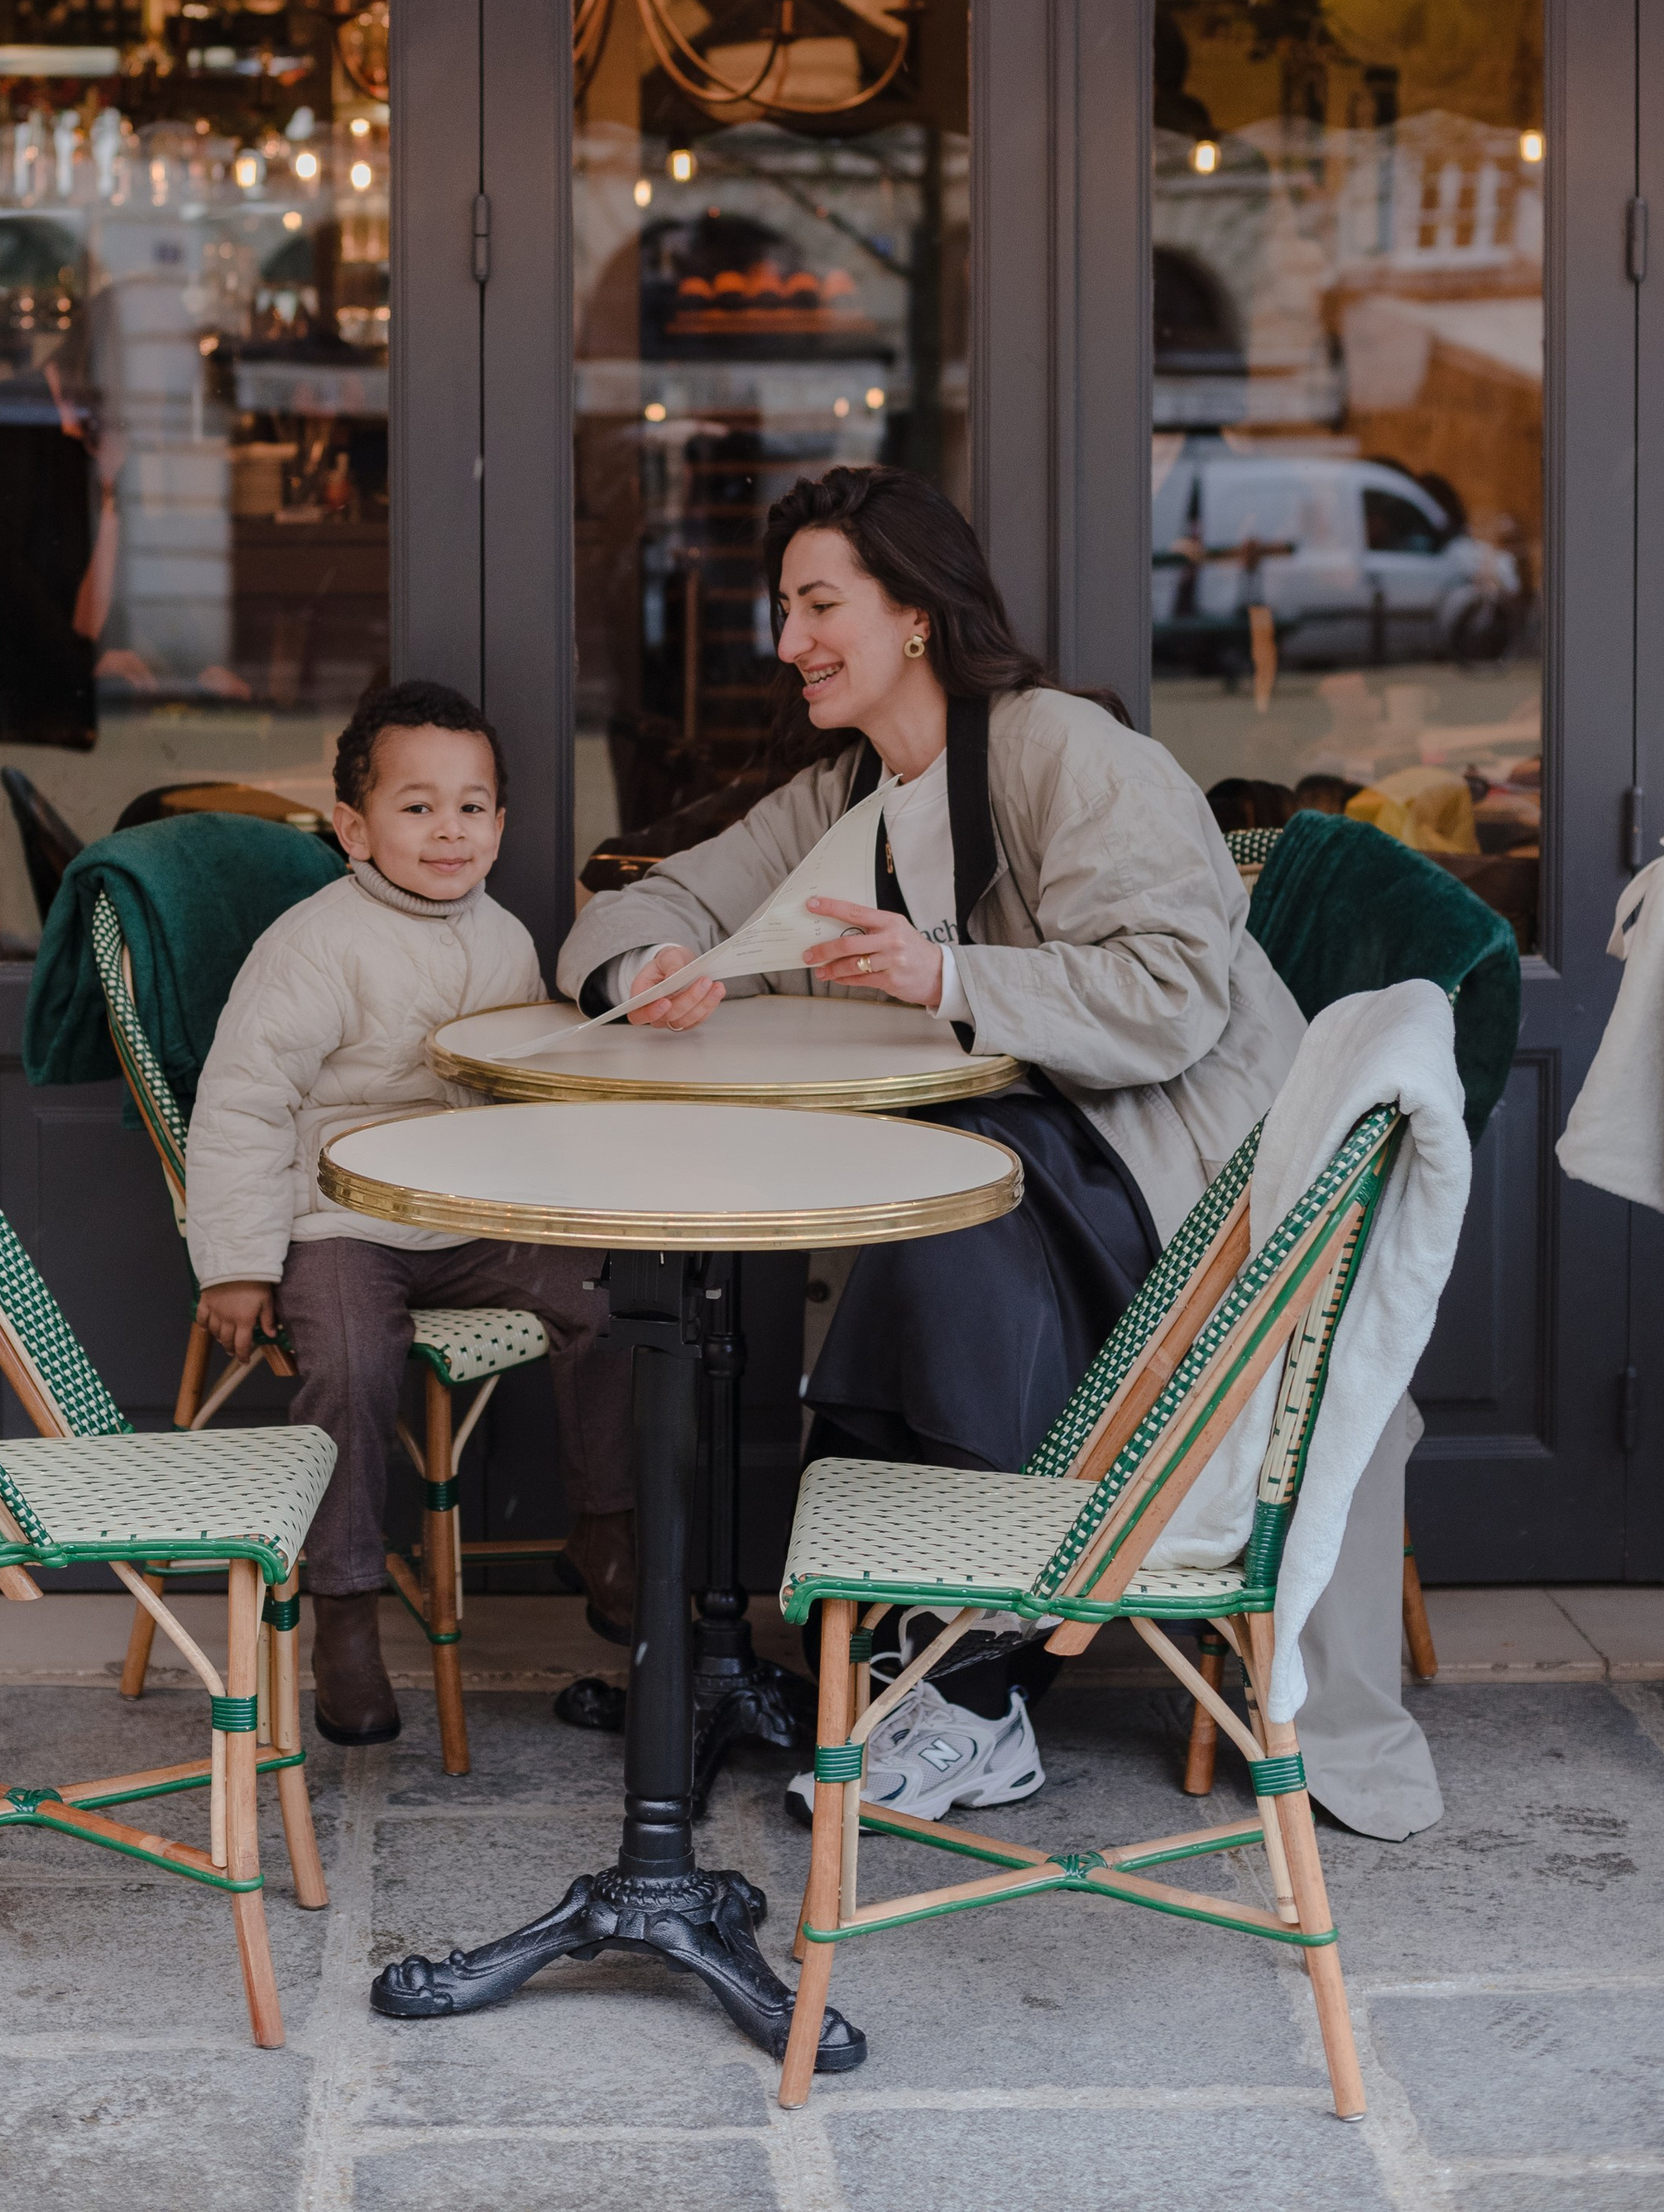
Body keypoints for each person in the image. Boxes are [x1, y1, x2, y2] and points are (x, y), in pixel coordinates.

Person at [563, 467, 1364, 1827]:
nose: (788, 640)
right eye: (782, 608)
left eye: (821, 604)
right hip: (1029, 1167)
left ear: (918, 616)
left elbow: (1172, 994)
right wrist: (656, 957)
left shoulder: (1069, 754)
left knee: (950, 1215)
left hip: (1185, 1194)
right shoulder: (851, 793)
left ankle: (975, 1685)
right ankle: (922, 1663)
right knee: (942, 1202)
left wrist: (945, 977)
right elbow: (643, 900)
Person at [188, 677, 635, 1745]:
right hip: (342, 1219)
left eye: (472, 806)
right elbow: (244, 1105)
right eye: (417, 806)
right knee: (347, 1361)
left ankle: (606, 1528)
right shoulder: (315, 945)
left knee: (613, 1296)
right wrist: (237, 1265)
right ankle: (343, 1608)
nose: (449, 831)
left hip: (470, 1214)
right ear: (354, 826)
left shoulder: (506, 939)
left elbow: (515, 1080)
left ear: (501, 824)